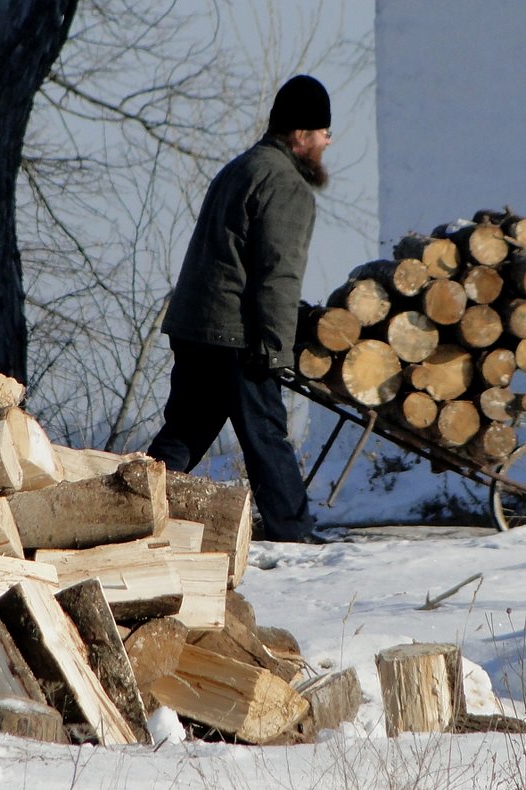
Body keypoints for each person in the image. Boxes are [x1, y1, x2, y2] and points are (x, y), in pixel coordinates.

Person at [146, 74, 333, 543]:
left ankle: (128, 504)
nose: (328, 141)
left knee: (185, 432)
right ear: (300, 135)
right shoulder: (287, 184)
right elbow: (277, 273)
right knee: (267, 434)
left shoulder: (241, 167)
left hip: (195, 325)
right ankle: (294, 534)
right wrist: (275, 347)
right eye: (323, 132)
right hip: (236, 335)